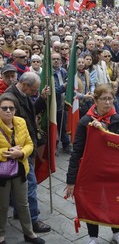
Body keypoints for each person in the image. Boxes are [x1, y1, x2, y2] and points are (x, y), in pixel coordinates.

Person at [65, 84, 119, 244]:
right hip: (91, 171)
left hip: (114, 169)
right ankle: (93, 237)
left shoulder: (118, 119)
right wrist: (71, 179)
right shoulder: (85, 121)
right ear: (95, 100)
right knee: (91, 202)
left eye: (110, 99)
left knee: (115, 202)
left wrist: (103, 132)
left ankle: (117, 232)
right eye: (103, 99)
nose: (108, 103)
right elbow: (77, 150)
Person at [5, 72, 51, 233]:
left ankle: (20, 211)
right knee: (29, 184)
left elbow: (32, 113)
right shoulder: (9, 100)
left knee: (21, 185)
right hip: (19, 151)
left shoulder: (22, 94)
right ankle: (32, 221)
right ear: (25, 85)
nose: (35, 93)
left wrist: (42, 99)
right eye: (34, 90)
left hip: (27, 147)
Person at [0, 93, 45, 244]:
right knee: (3, 205)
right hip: (2, 173)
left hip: (20, 169)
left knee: (23, 203)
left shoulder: (20, 122)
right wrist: (6, 154)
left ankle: (29, 233)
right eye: (4, 108)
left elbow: (29, 144)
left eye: (11, 108)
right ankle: (1, 235)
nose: (8, 111)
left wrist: (21, 153)